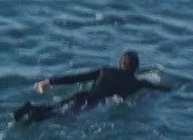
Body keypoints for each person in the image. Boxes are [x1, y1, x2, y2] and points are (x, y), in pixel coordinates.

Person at [13, 51, 157, 124]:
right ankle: (33, 115)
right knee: (60, 117)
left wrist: (50, 81)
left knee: (53, 107)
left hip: (82, 96)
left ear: (119, 63)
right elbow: (161, 88)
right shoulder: (137, 83)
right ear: (136, 67)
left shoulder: (105, 71)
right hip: (91, 104)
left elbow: (77, 77)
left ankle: (30, 108)